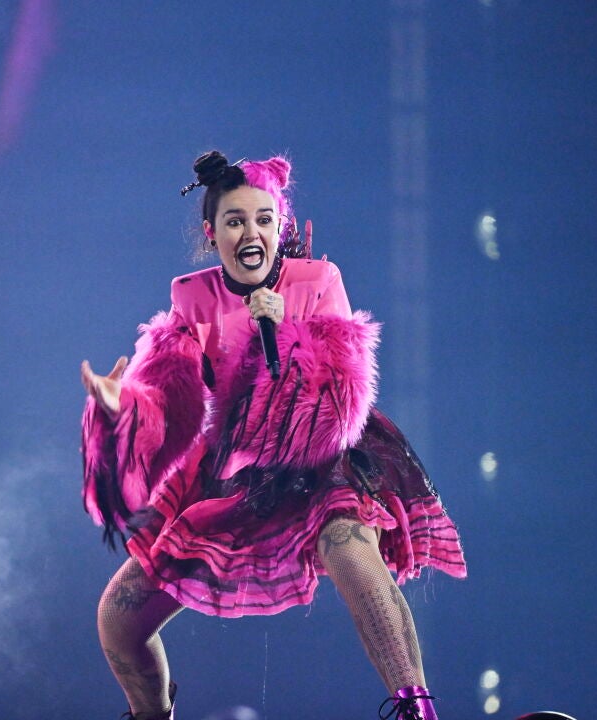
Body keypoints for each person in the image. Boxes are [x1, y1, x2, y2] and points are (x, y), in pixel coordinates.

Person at [80, 151, 466, 720]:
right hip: (240, 470)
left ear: (279, 226)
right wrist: (122, 410)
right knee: (119, 615)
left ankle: (418, 711)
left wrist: (283, 330)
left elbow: (342, 404)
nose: (250, 232)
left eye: (263, 219)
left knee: (348, 548)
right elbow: (172, 404)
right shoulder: (192, 298)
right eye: (235, 221)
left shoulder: (317, 281)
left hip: (322, 459)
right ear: (212, 233)